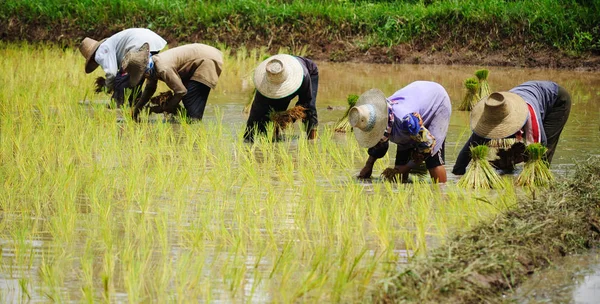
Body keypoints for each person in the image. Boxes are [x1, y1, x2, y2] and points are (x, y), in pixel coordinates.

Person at [452, 81, 571, 175]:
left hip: (556, 100)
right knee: (507, 155)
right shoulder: (492, 114)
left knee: (543, 151)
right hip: (526, 93)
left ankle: (539, 185)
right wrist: (458, 173)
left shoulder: (529, 116)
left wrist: (529, 170)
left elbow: (540, 146)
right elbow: (470, 146)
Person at [350, 81, 452, 183]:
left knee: (433, 161)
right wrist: (368, 165)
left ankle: (441, 193)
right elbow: (379, 144)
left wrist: (407, 168)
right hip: (414, 102)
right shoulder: (378, 116)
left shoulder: (406, 120)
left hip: (437, 101)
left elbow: (429, 144)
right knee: (398, 173)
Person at [121, 43, 223, 121]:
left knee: (191, 106)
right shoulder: (151, 65)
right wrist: (136, 110)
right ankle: (185, 120)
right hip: (198, 59)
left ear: (144, 72)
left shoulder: (162, 68)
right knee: (185, 105)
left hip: (207, 61)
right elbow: (149, 89)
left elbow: (181, 91)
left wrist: (162, 108)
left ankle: (194, 127)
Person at [79, 28, 167, 107]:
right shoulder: (110, 43)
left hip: (139, 45)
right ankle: (136, 104)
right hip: (153, 42)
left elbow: (111, 73)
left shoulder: (100, 52)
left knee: (120, 81)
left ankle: (117, 109)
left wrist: (107, 87)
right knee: (136, 78)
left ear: (91, 58)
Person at [244, 54, 319, 142]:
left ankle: (312, 140)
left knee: (309, 107)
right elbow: (256, 112)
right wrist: (248, 137)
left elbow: (306, 103)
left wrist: (289, 117)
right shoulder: (264, 80)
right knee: (273, 110)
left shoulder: (303, 75)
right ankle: (274, 137)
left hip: (309, 73)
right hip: (279, 77)